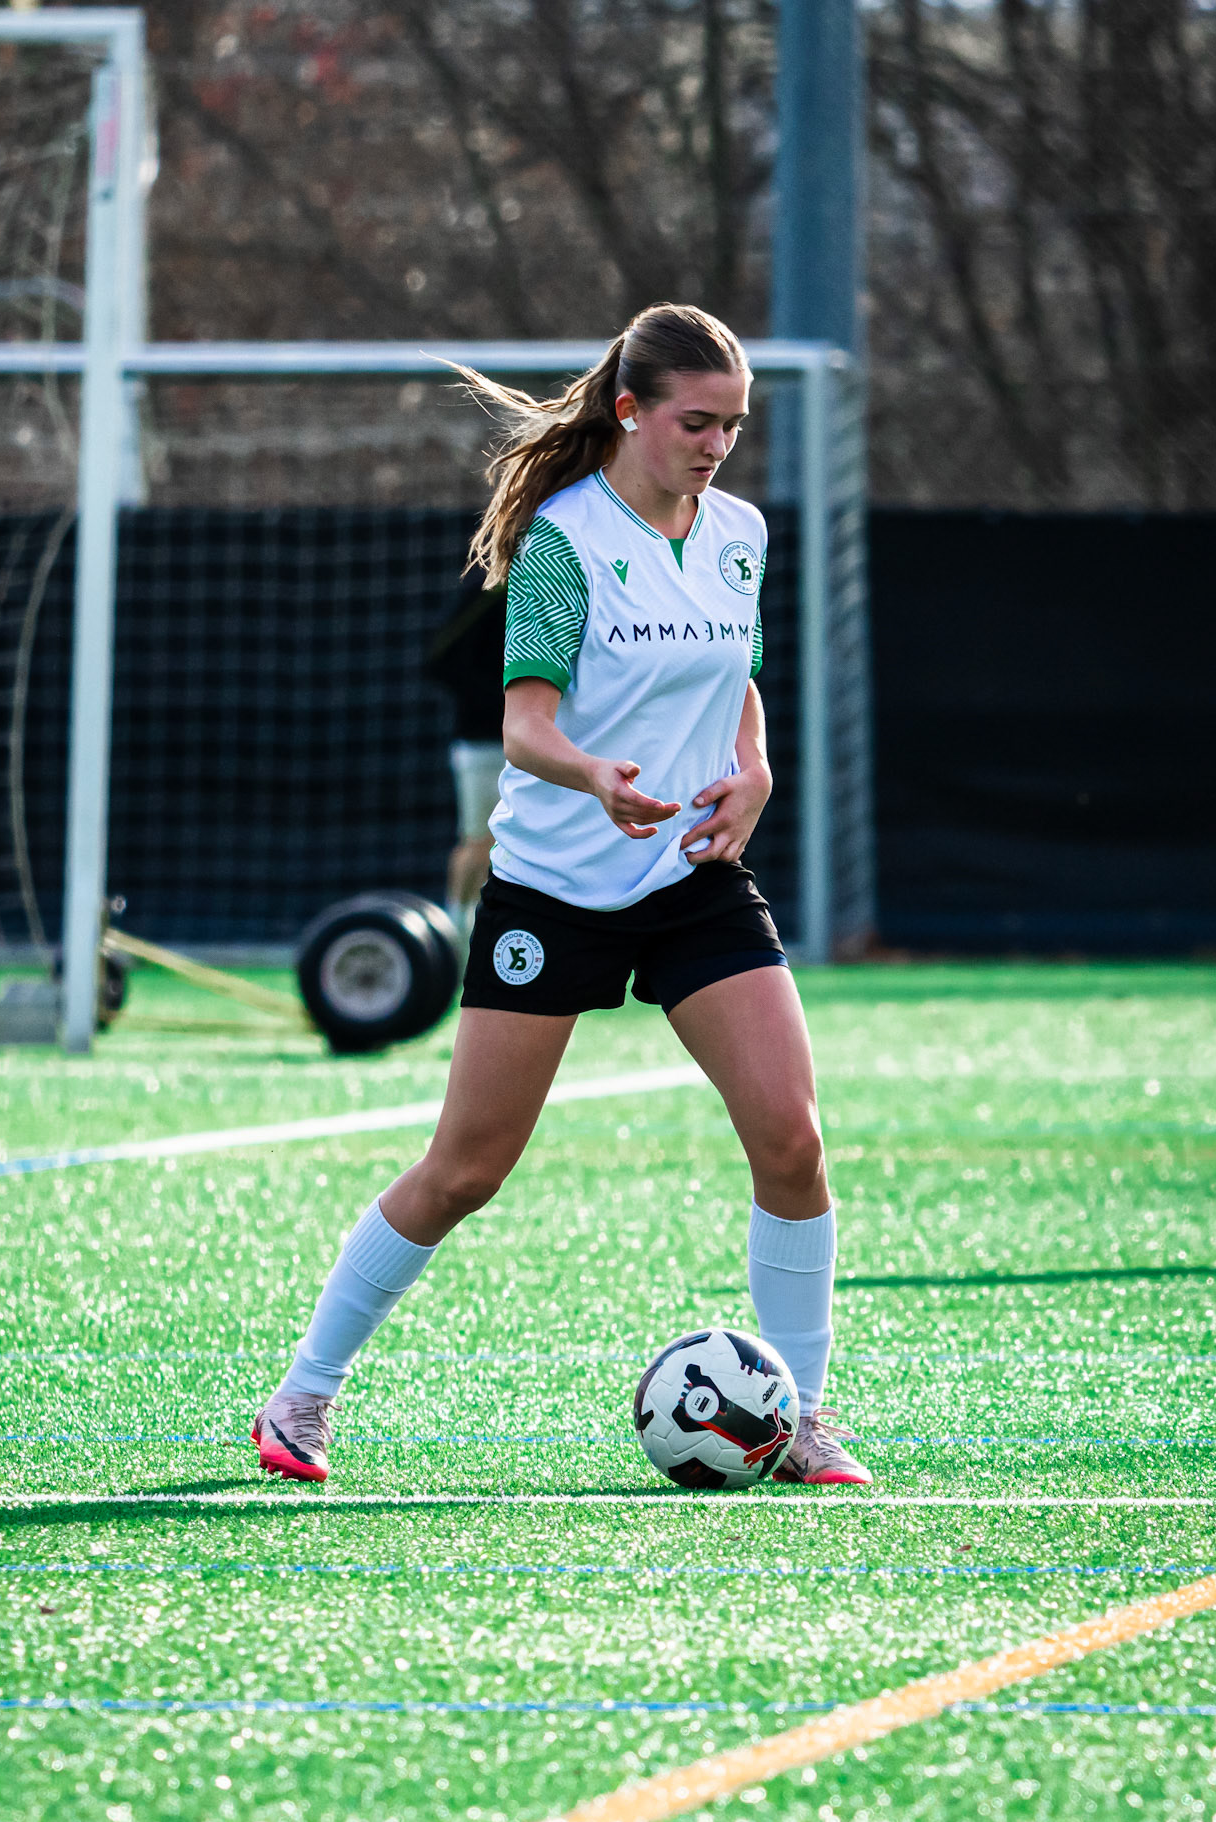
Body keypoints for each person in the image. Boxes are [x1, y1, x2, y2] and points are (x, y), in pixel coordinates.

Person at [253, 303, 871, 1489]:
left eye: (735, 425)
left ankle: (796, 1419)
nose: (717, 445)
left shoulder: (739, 530)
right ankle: (303, 1397)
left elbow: (736, 679)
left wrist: (757, 770)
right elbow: (524, 723)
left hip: (693, 876)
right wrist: (594, 775)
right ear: (631, 411)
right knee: (467, 1168)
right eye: (697, 421)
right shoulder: (564, 541)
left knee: (792, 1139)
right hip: (555, 889)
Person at [425, 569, 507, 935]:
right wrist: (507, 706)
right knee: (478, 843)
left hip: (551, 741)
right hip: (485, 742)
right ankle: (454, 941)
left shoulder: (561, 582)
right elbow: (439, 660)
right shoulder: (488, 587)